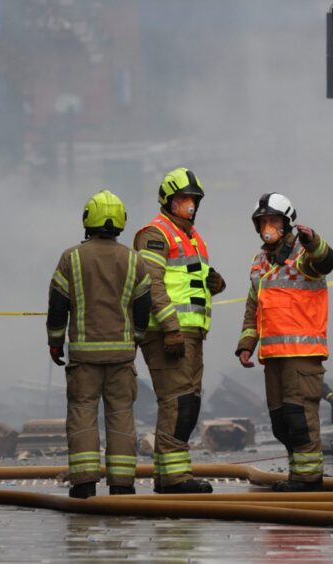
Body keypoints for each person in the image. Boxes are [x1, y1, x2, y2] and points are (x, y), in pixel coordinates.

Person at [47, 189, 152, 499]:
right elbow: (144, 307)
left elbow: (57, 306)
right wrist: (137, 339)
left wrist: (55, 342)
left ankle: (84, 484)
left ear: (87, 219)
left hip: (84, 358)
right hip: (121, 357)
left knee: (83, 413)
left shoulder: (71, 258)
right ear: (121, 221)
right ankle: (123, 485)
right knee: (121, 415)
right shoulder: (134, 260)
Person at [235, 193, 333, 492]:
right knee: (281, 422)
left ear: (287, 222)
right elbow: (254, 306)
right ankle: (298, 475)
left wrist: (313, 240)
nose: (267, 226)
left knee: (299, 417)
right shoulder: (260, 261)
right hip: (273, 355)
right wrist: (247, 343)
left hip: (302, 354)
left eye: (273, 220)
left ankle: (308, 479)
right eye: (263, 221)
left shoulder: (303, 254)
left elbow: (326, 261)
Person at [133, 167, 226, 494]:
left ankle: (167, 475)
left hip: (191, 333)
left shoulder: (190, 236)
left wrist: (213, 284)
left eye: (193, 199)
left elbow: (184, 282)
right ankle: (175, 479)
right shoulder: (156, 234)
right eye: (183, 198)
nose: (190, 204)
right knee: (179, 402)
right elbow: (152, 284)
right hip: (168, 334)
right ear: (168, 201)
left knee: (185, 402)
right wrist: (171, 328)